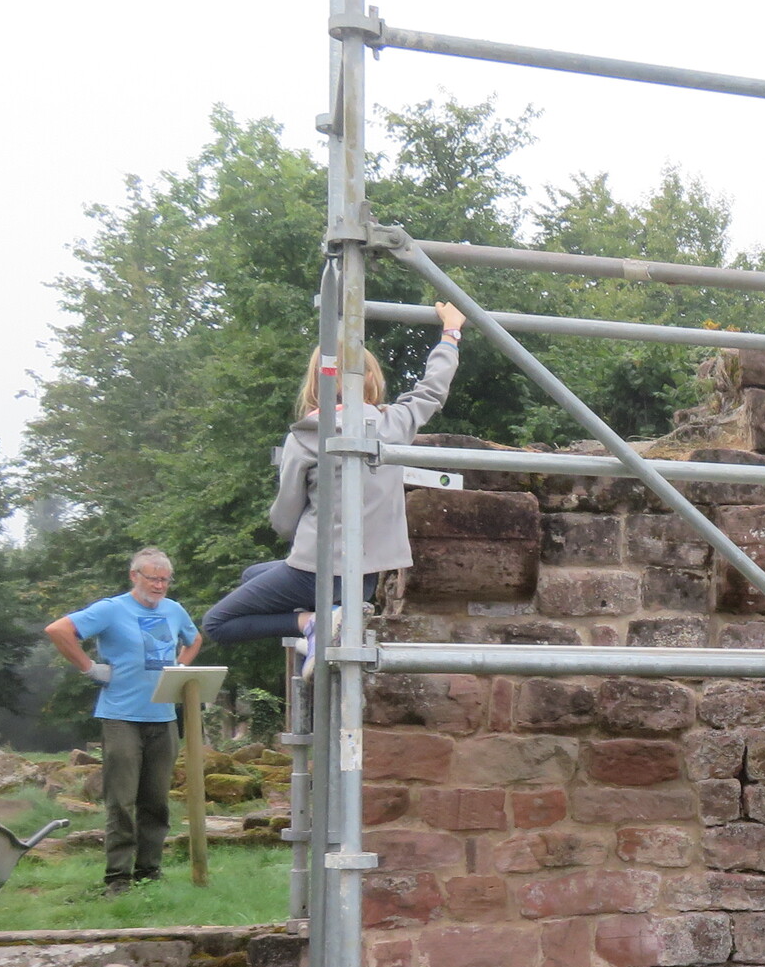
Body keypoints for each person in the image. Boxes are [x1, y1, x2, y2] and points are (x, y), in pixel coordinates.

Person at [199, 305, 467, 651]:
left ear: (316, 383)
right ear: (370, 378)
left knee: (218, 623)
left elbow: (284, 521)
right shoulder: (394, 424)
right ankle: (329, 622)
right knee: (252, 575)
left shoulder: (306, 435)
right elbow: (432, 389)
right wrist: (450, 333)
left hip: (317, 571)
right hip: (365, 577)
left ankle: (313, 623)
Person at [42, 548, 202, 891]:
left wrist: (181, 667)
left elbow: (195, 638)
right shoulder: (111, 609)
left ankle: (149, 872)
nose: (159, 586)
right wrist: (90, 668)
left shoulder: (174, 610)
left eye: (165, 579)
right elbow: (58, 630)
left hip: (163, 717)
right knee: (122, 801)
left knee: (156, 801)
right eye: (153, 578)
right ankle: (118, 877)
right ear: (134, 576)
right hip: (121, 717)